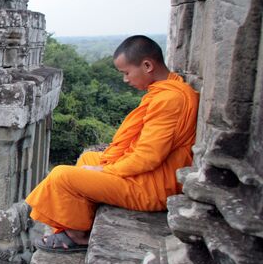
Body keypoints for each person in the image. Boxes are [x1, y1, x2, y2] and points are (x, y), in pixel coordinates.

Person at [26, 35, 199, 252]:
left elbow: (148, 157)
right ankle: (81, 215)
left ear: (147, 65)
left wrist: (107, 169)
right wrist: (104, 165)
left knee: (61, 175)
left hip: (152, 187)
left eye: (126, 73)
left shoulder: (170, 100)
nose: (126, 79)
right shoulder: (170, 88)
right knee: (88, 157)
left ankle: (77, 234)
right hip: (149, 174)